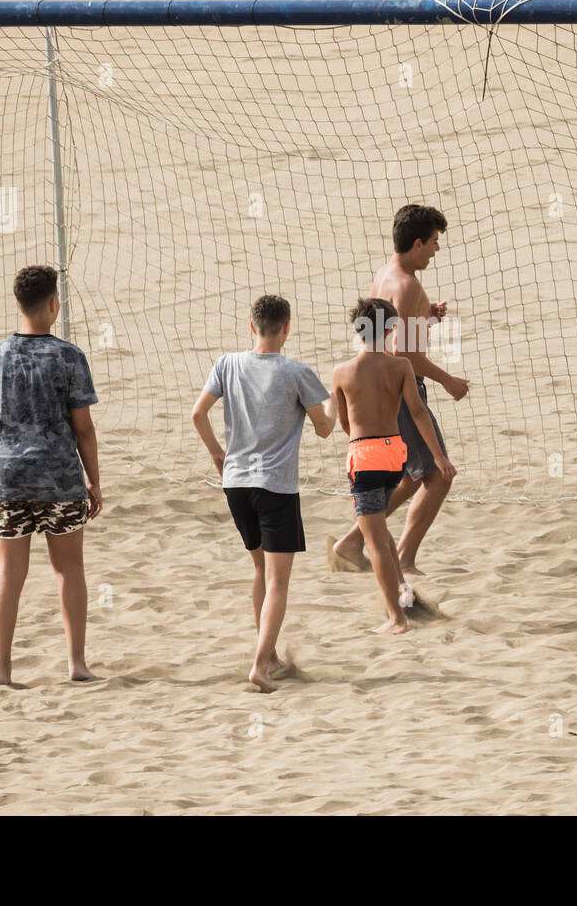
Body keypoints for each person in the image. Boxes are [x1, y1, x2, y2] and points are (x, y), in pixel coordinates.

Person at [191, 295, 337, 691]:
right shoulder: (295, 372)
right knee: (278, 583)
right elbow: (325, 429)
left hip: (235, 483)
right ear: (286, 328)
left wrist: (217, 453)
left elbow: (197, 413)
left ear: (252, 327)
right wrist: (334, 402)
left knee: (260, 571)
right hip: (275, 486)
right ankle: (259, 664)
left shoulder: (227, 363)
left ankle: (269, 654)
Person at [328, 204, 468, 575]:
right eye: (435, 242)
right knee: (437, 478)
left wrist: (426, 316)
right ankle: (403, 558)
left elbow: (385, 329)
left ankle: (352, 543)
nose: (437, 250)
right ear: (418, 243)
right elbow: (405, 355)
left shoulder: (386, 273)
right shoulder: (408, 285)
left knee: (408, 478)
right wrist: (448, 380)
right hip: (401, 387)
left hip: (379, 382)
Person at [0, 265, 101, 686]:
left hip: (6, 476)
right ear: (54, 304)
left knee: (7, 575)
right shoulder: (69, 356)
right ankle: (77, 664)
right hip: (59, 476)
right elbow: (83, 427)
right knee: (69, 570)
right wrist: (94, 480)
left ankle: (1, 670)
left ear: (17, 304)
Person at [331, 297, 455, 633]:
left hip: (365, 456)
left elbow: (344, 422)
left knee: (376, 543)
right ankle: (406, 600)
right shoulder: (400, 367)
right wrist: (439, 457)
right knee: (382, 536)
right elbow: (417, 413)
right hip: (395, 455)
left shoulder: (342, 372)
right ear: (390, 330)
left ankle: (396, 619)